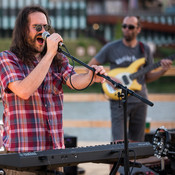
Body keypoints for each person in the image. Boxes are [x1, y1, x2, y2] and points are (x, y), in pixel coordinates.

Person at [0, 5, 107, 175]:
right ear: (23, 31)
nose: (43, 31)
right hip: (22, 154)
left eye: (46, 27)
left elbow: (73, 80)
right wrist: (49, 54)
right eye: (37, 27)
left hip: (54, 154)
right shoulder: (7, 58)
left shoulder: (58, 59)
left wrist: (89, 76)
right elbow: (23, 91)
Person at [89, 16, 172, 143]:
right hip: (118, 99)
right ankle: (117, 163)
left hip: (140, 99)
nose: (126, 29)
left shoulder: (145, 49)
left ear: (138, 29)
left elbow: (147, 76)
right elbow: (90, 66)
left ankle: (134, 163)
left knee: (137, 142)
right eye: (124, 26)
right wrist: (108, 78)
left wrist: (162, 70)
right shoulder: (111, 47)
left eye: (131, 27)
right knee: (118, 143)